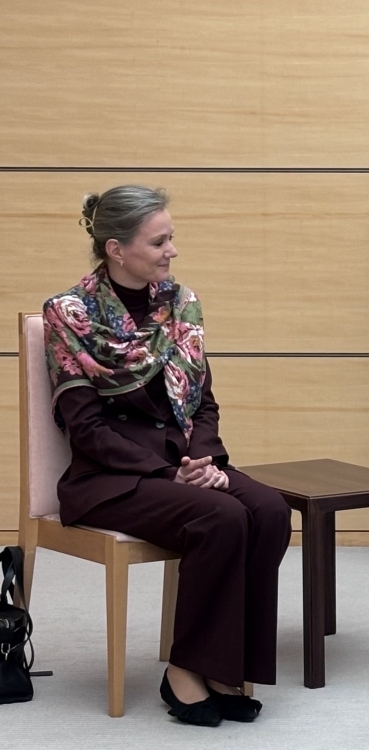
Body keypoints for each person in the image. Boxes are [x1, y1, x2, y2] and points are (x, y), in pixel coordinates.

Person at [43, 185, 292, 727]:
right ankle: (184, 670)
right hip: (111, 477)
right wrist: (168, 472)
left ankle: (224, 666)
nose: (172, 251)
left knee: (270, 511)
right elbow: (85, 428)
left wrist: (203, 462)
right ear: (115, 248)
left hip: (185, 464)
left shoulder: (181, 304)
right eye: (159, 241)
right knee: (222, 516)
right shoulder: (69, 314)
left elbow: (203, 401)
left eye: (171, 238)